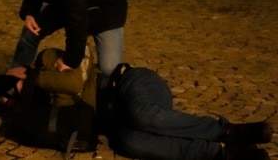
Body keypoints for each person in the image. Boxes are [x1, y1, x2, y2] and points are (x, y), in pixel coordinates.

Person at [105, 63, 273, 160]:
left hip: (131, 81)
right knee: (129, 142)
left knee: (142, 113)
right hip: (121, 122)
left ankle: (228, 131)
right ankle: (224, 154)